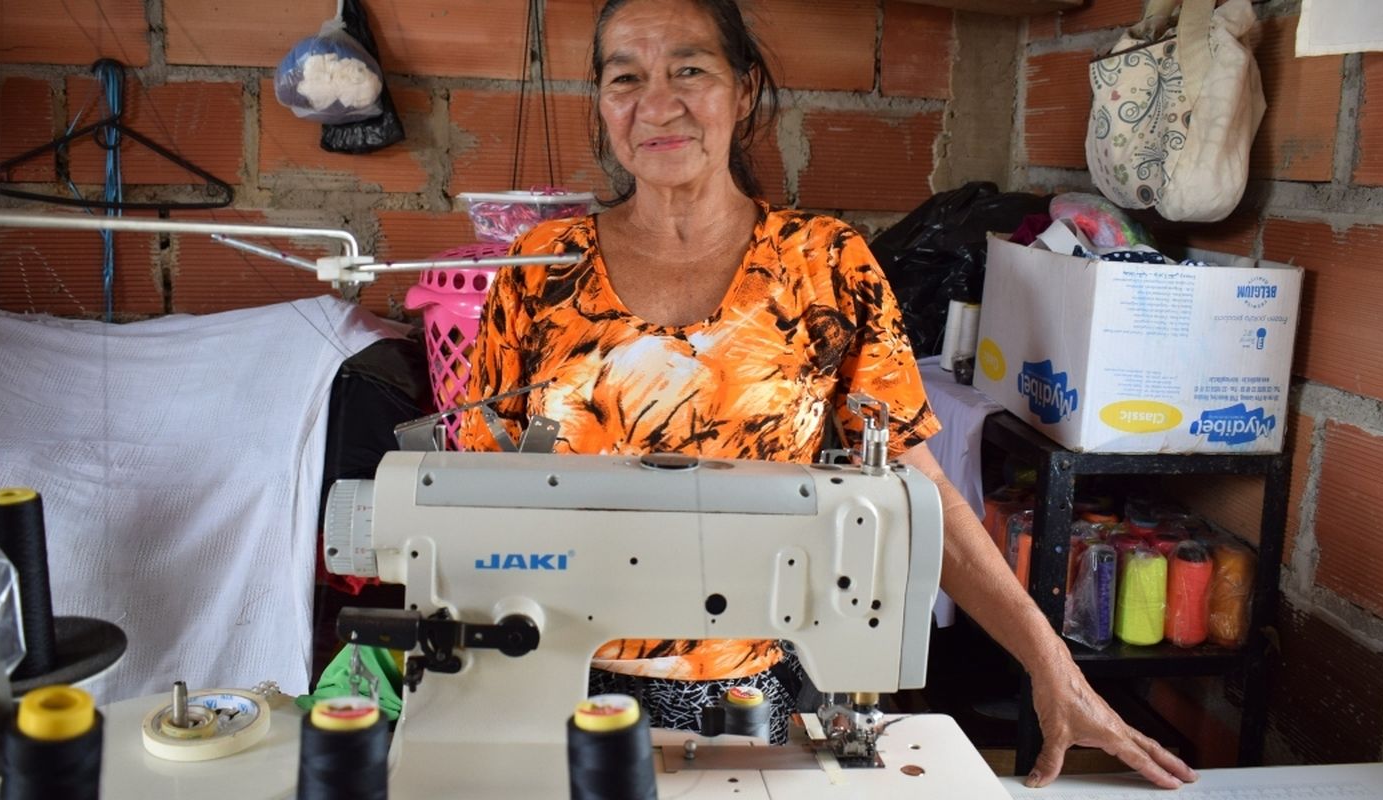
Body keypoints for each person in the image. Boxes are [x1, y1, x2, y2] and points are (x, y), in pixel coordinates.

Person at [458, 0, 1198, 789]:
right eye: (625, 77)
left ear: (744, 91)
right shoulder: (540, 266)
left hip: (752, 698)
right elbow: (475, 488)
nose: (657, 103)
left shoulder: (825, 266)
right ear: (601, 101)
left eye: (689, 70)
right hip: (552, 679)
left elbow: (923, 492)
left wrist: (1054, 666)